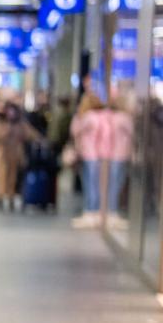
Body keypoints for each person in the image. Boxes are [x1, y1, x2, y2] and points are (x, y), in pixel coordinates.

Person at [0, 101, 40, 211]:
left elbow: (30, 134)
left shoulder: (20, 123)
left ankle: (11, 197)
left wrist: (39, 139)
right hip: (2, 154)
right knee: (0, 177)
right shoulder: (0, 122)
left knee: (14, 178)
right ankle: (0, 197)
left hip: (16, 154)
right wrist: (6, 130)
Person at [70, 92, 106, 228]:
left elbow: (75, 131)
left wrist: (78, 117)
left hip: (89, 154)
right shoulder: (101, 117)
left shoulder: (87, 117)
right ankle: (93, 212)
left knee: (90, 184)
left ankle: (90, 213)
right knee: (94, 184)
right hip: (96, 154)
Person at [105, 96, 134, 229]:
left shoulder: (110, 118)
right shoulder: (123, 118)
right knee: (116, 184)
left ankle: (111, 211)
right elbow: (132, 133)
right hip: (121, 153)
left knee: (113, 183)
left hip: (111, 154)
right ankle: (113, 212)